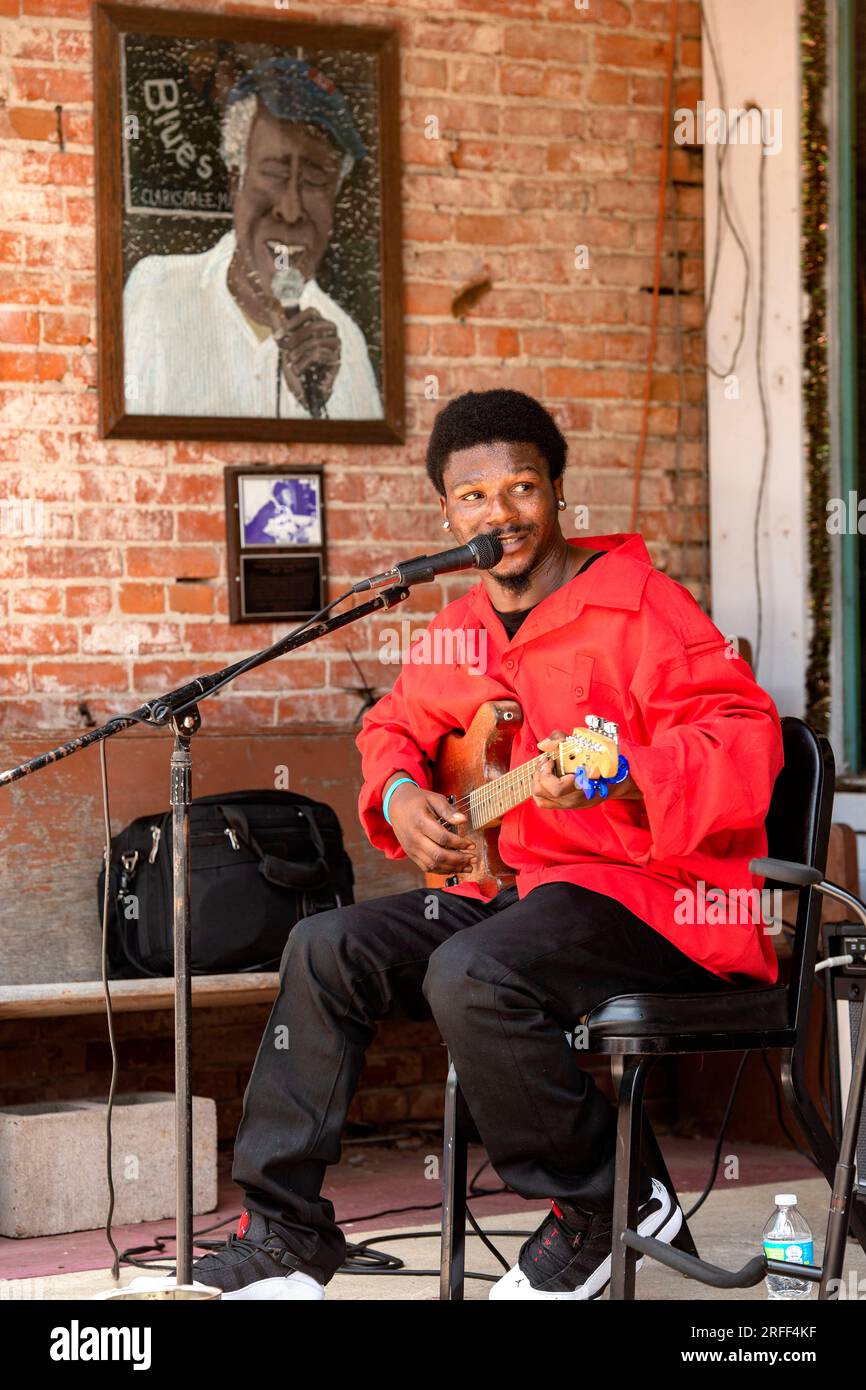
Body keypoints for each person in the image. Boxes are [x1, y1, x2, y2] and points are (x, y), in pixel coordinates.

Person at [189, 389, 785, 1300]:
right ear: (445, 511)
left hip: (647, 897)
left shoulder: (644, 608)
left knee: (473, 970)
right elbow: (390, 730)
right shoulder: (456, 629)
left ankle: (608, 1203)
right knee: (325, 946)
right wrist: (399, 790)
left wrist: (623, 771)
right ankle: (285, 1234)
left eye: (522, 488)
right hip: (507, 895)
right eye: (474, 497)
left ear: (556, 493)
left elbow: (744, 740)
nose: (499, 514)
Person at [123, 57, 383, 420]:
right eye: (275, 174)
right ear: (236, 179)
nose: (291, 210)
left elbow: (357, 473)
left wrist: (315, 402)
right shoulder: (159, 293)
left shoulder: (347, 345)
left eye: (314, 182)